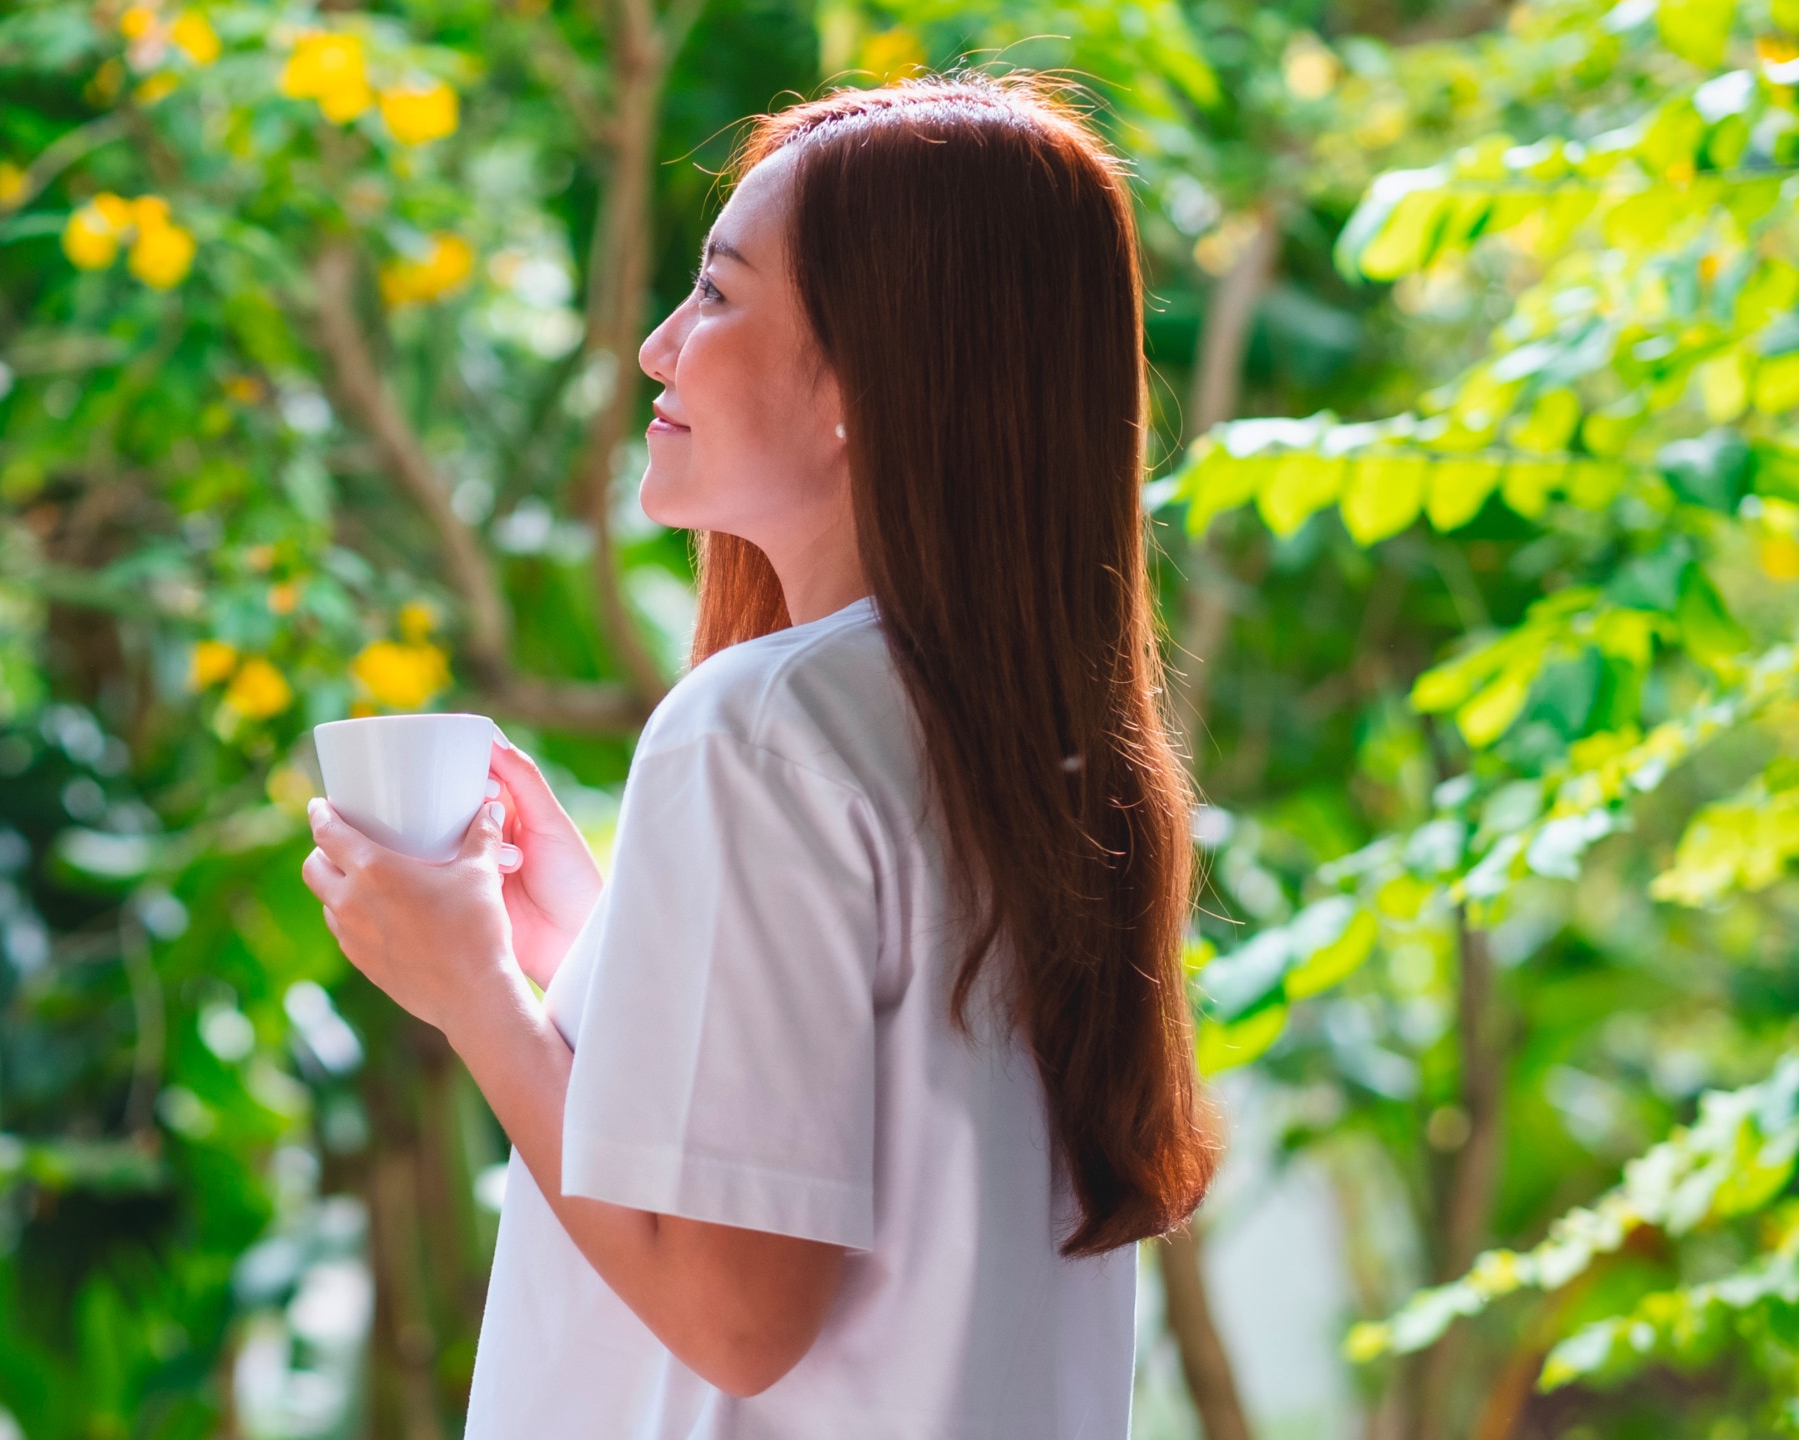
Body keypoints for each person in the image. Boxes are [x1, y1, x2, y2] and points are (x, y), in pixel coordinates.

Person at [299, 74, 1216, 1436]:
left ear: (874, 374)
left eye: (719, 296)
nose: (663, 346)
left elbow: (738, 1315)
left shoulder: (765, 725)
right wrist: (598, 957)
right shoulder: (1034, 742)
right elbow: (870, 1136)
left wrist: (475, 995)